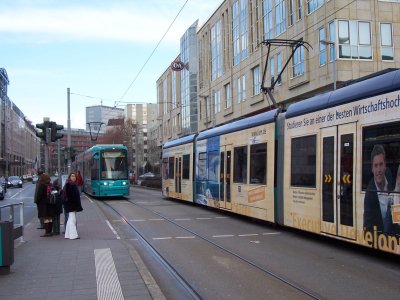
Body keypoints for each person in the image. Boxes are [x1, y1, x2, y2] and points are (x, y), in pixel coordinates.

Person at [363, 144, 394, 234]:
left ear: (385, 166)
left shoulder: (389, 174)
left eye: (381, 164)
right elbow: (367, 231)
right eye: (375, 166)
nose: (379, 170)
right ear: (372, 169)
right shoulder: (369, 196)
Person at [64, 172, 83, 240]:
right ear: (69, 177)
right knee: (72, 220)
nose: (73, 177)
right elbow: (70, 196)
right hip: (71, 205)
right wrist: (74, 204)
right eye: (72, 176)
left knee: (70, 219)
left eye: (74, 176)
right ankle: (73, 235)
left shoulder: (71, 184)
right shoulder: (70, 184)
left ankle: (67, 234)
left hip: (71, 205)